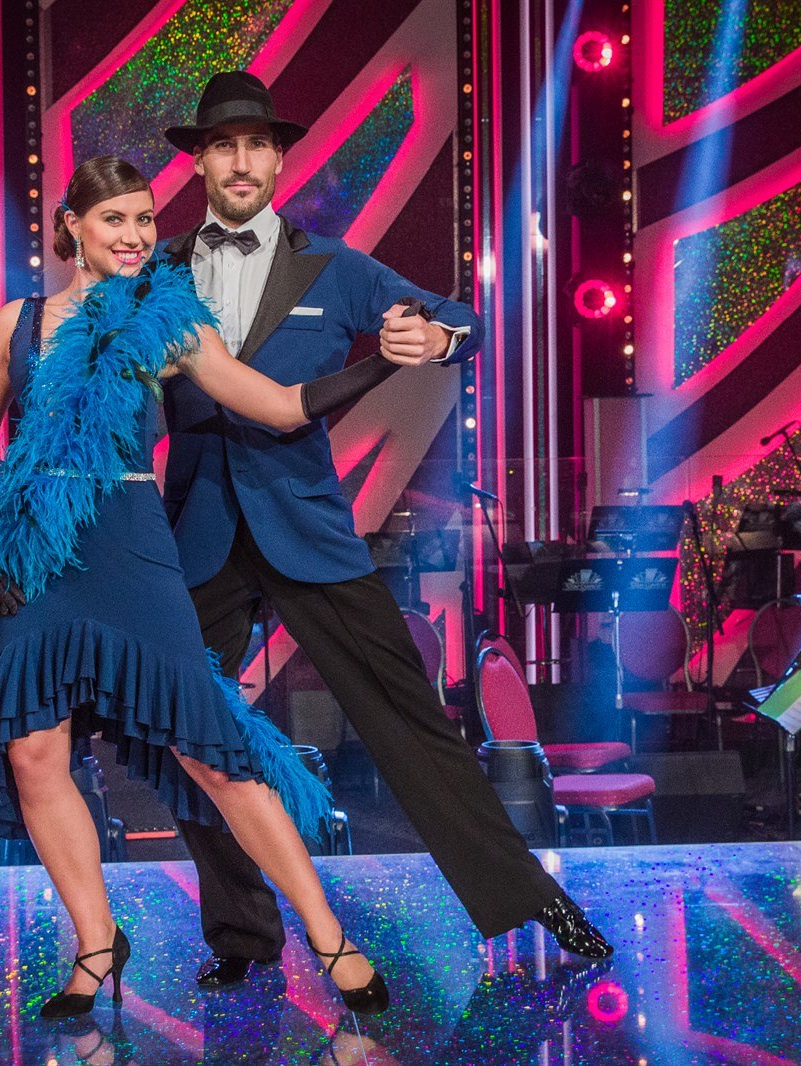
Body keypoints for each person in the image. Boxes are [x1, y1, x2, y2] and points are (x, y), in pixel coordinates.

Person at [158, 71, 613, 989]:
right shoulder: (156, 271)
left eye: (257, 145)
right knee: (192, 734)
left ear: (278, 161)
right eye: (223, 146)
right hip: (195, 531)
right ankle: (241, 935)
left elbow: (459, 319)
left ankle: (528, 895)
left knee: (410, 722)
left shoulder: (339, 268)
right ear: (200, 162)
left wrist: (435, 341)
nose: (241, 162)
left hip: (311, 532)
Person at [0, 155, 418, 1019]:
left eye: (143, 219)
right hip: (38, 558)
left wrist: (380, 364)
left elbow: (276, 406)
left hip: (132, 550)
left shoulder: (167, 320)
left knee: (212, 751)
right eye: (115, 220)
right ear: (72, 227)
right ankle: (96, 944)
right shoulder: (15, 324)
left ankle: (330, 938)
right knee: (34, 753)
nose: (136, 236)